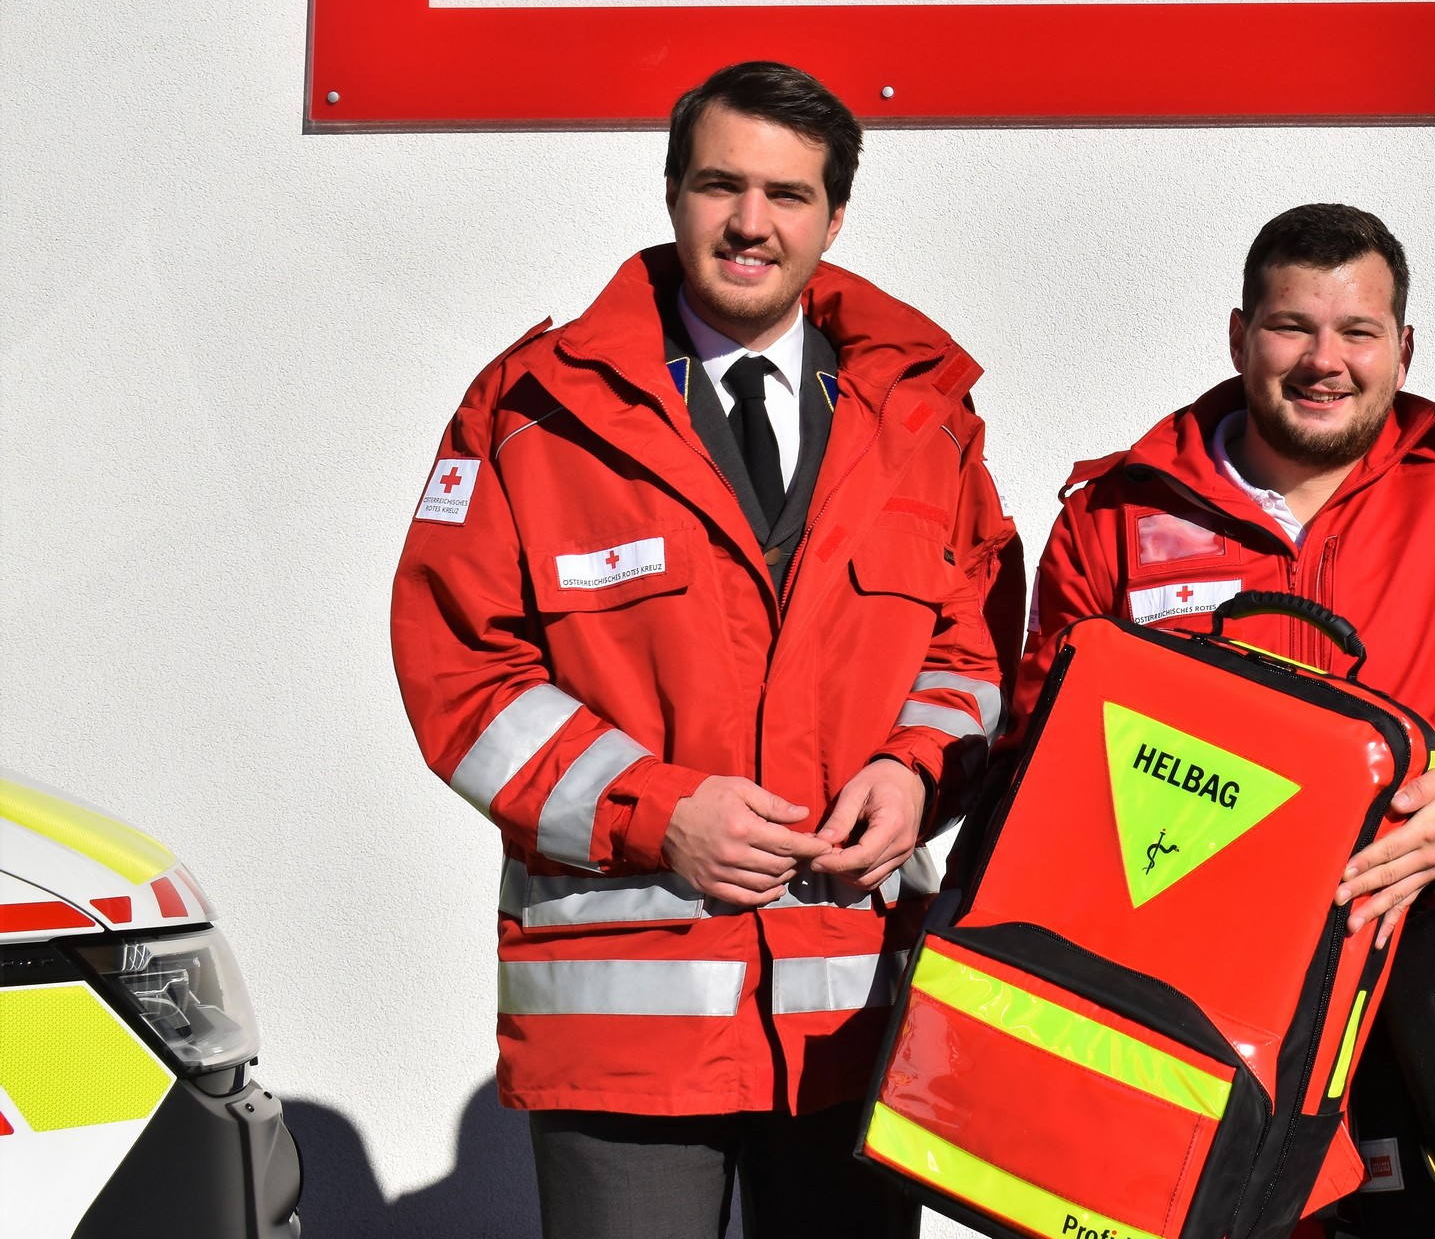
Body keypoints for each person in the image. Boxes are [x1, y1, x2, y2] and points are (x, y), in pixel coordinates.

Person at [390, 61, 1022, 1239]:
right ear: (673, 193)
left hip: (851, 1020)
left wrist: (915, 773)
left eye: (788, 195)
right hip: (623, 1037)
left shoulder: (922, 416)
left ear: (835, 218)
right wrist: (655, 810)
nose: (750, 223)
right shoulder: (532, 410)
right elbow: (462, 675)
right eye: (720, 185)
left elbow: (974, 650)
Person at [1017, 204, 1435, 1238]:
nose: (1324, 362)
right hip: (1171, 1022)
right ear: (1240, 336)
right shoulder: (1114, 513)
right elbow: (1036, 767)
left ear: (1404, 347)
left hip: (1392, 1005)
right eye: (1292, 327)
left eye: (1358, 332)